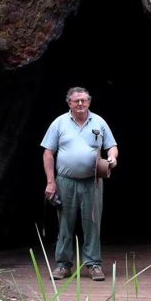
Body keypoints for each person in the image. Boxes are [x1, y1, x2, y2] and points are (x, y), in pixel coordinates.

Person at [41, 87, 118, 281]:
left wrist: (112, 158)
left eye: (84, 100)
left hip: (93, 182)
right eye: (76, 101)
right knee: (65, 224)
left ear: (89, 102)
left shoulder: (99, 122)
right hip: (65, 181)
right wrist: (51, 182)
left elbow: (112, 146)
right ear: (69, 103)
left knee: (92, 223)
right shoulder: (59, 123)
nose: (80, 104)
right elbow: (48, 153)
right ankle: (63, 265)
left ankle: (93, 265)